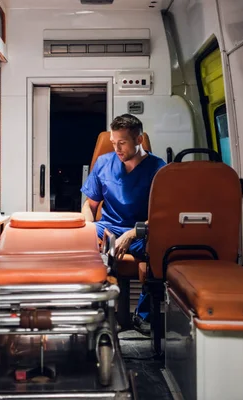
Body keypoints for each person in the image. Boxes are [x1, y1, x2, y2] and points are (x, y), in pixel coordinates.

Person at [81, 114, 166, 334]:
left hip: (141, 230)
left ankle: (142, 315)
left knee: (160, 248)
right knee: (80, 240)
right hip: (107, 227)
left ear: (139, 140)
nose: (117, 149)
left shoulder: (158, 169)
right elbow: (90, 206)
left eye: (122, 143)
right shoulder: (104, 163)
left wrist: (132, 234)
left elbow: (162, 215)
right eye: (113, 143)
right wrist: (88, 228)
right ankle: (100, 312)